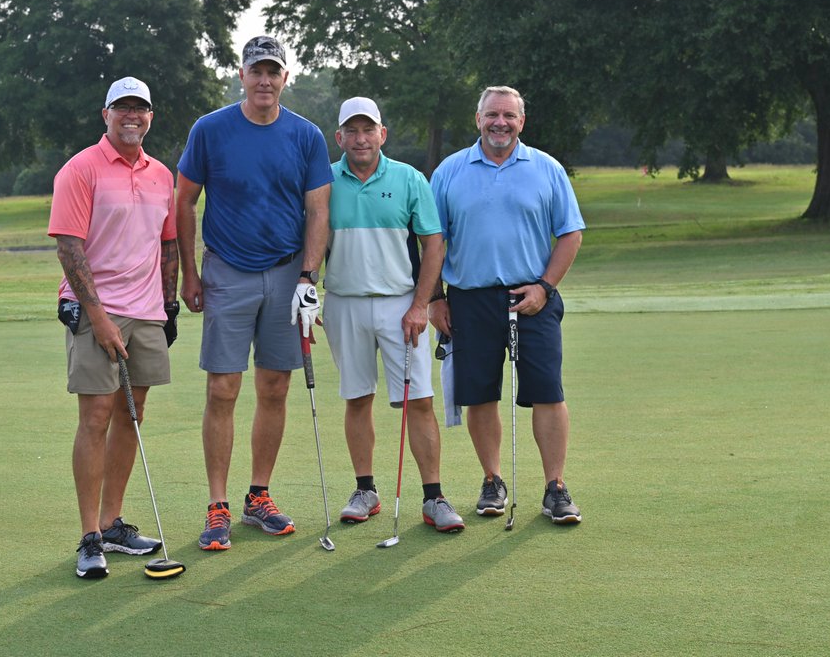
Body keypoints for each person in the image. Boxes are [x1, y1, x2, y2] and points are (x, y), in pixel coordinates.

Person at [176, 36, 332, 551]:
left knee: (274, 387)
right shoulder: (211, 130)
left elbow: (317, 212)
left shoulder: (306, 136)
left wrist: (309, 277)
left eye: (273, 71)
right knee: (222, 388)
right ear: (240, 75)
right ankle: (217, 505)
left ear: (286, 77)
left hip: (288, 274)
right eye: (256, 70)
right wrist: (189, 275)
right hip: (227, 272)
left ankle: (257, 496)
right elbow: (184, 203)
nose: (264, 80)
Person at [429, 85, 586, 525]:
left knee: (548, 393)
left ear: (522, 122)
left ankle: (555, 487)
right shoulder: (449, 171)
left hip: (532, 296)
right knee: (480, 395)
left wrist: (544, 287)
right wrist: (435, 298)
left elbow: (570, 233)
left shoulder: (546, 168)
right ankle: (492, 479)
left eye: (509, 116)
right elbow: (432, 240)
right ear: (477, 119)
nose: (501, 123)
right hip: (468, 299)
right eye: (492, 115)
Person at [48, 76, 180, 579]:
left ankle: (112, 523)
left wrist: (167, 305)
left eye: (141, 109)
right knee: (96, 416)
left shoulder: (160, 174)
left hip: (147, 310)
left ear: (150, 116)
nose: (133, 116)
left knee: (133, 412)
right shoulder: (80, 169)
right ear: (105, 114)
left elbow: (167, 244)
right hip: (96, 308)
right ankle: (88, 538)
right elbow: (68, 247)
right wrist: (99, 318)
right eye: (123, 108)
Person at [323, 97, 464, 533]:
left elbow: (433, 245)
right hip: (343, 302)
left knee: (418, 400)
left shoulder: (407, 178)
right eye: (353, 131)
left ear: (382, 134)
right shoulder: (324, 181)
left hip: (400, 304)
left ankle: (434, 497)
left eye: (369, 130)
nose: (361, 139)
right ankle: (365, 489)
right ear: (340, 137)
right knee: (357, 397)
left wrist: (421, 304)